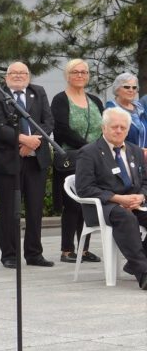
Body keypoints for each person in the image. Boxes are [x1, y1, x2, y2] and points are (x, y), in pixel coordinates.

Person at [0, 62, 55, 269]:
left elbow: (48, 121)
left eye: (23, 72)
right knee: (9, 208)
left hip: (36, 159)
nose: (18, 75)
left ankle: (34, 253)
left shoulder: (39, 92)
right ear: (6, 76)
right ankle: (9, 254)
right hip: (8, 161)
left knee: (35, 208)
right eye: (13, 72)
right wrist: (23, 140)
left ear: (29, 76)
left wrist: (33, 140)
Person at [75, 107, 147, 290]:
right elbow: (84, 188)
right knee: (126, 218)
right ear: (103, 128)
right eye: (114, 127)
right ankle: (143, 273)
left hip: (135, 202)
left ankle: (133, 264)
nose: (119, 131)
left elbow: (145, 181)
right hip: (104, 206)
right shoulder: (88, 152)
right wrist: (118, 199)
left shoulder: (136, 151)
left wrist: (141, 196)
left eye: (123, 127)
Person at [50, 59, 103, 264]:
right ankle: (67, 249)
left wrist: (97, 150)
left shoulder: (95, 101)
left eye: (84, 72)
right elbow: (61, 129)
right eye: (75, 72)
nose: (80, 75)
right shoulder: (60, 100)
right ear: (67, 75)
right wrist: (89, 148)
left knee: (88, 205)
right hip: (71, 159)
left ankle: (84, 249)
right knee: (71, 205)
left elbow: (104, 127)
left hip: (94, 160)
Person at [105, 72, 147, 157]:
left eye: (134, 87)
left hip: (142, 158)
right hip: (122, 157)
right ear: (117, 89)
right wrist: (138, 151)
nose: (131, 90)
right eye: (126, 87)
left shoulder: (140, 108)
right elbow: (113, 139)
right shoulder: (111, 110)